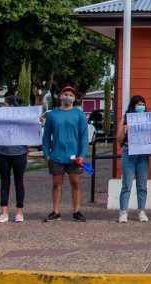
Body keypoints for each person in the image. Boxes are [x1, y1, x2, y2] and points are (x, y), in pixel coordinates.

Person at [41, 86, 89, 222]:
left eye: (71, 95)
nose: (68, 97)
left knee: (75, 183)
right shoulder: (52, 115)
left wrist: (83, 154)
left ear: (74, 99)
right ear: (61, 96)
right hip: (56, 156)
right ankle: (56, 212)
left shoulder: (79, 115)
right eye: (66, 94)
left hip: (74, 157)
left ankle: (76, 211)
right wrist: (46, 154)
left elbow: (84, 137)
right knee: (57, 184)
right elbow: (46, 137)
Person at [115, 95, 151, 223]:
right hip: (128, 152)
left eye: (143, 104)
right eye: (138, 104)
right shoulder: (125, 119)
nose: (141, 107)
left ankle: (141, 210)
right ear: (133, 105)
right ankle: (123, 211)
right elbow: (118, 139)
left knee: (142, 185)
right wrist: (124, 130)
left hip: (143, 154)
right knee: (127, 184)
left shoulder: (148, 119)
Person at [0, 94, 27, 223]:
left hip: (19, 153)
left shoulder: (22, 117)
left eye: (5, 104)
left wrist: (37, 121)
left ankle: (19, 211)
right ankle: (4, 212)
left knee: (19, 183)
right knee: (4, 183)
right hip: (3, 153)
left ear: (11, 105)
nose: (3, 106)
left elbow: (32, 127)